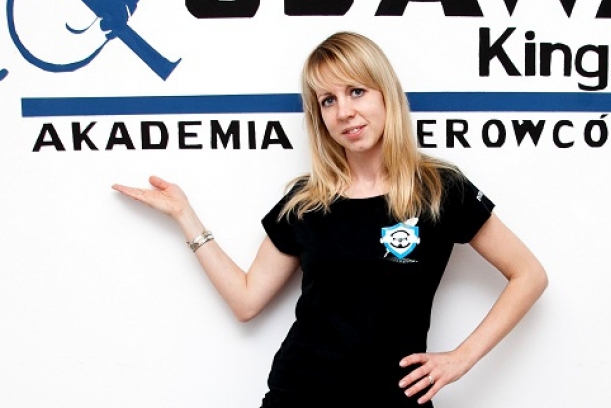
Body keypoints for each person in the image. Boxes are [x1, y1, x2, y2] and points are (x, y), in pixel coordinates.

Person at [113, 32, 547, 407]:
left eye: (356, 91)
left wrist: (461, 358)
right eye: (328, 100)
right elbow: (246, 301)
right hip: (300, 395)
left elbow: (529, 275)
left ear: (385, 93)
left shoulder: (439, 189)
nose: (344, 112)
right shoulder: (306, 202)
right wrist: (185, 215)